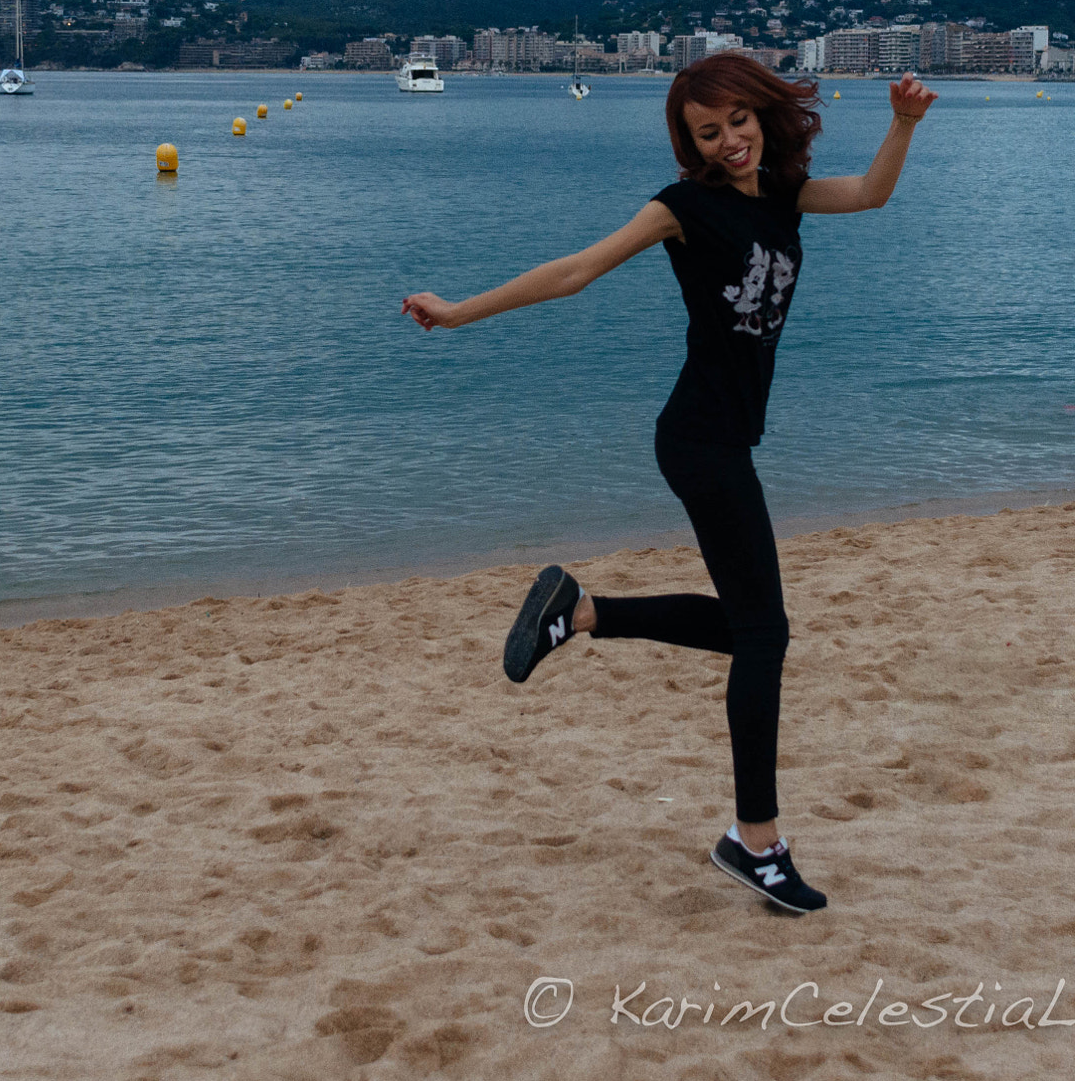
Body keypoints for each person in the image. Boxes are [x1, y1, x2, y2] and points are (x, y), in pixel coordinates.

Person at [401, 54, 936, 914]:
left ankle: (578, 613)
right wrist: (460, 310)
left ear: (761, 113)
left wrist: (904, 123)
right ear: (689, 143)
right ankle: (754, 842)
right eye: (708, 131)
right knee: (764, 635)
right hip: (699, 442)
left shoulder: (785, 194)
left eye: (738, 122)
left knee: (752, 632)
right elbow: (576, 270)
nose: (729, 141)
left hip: (726, 441)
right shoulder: (682, 208)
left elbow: (871, 194)